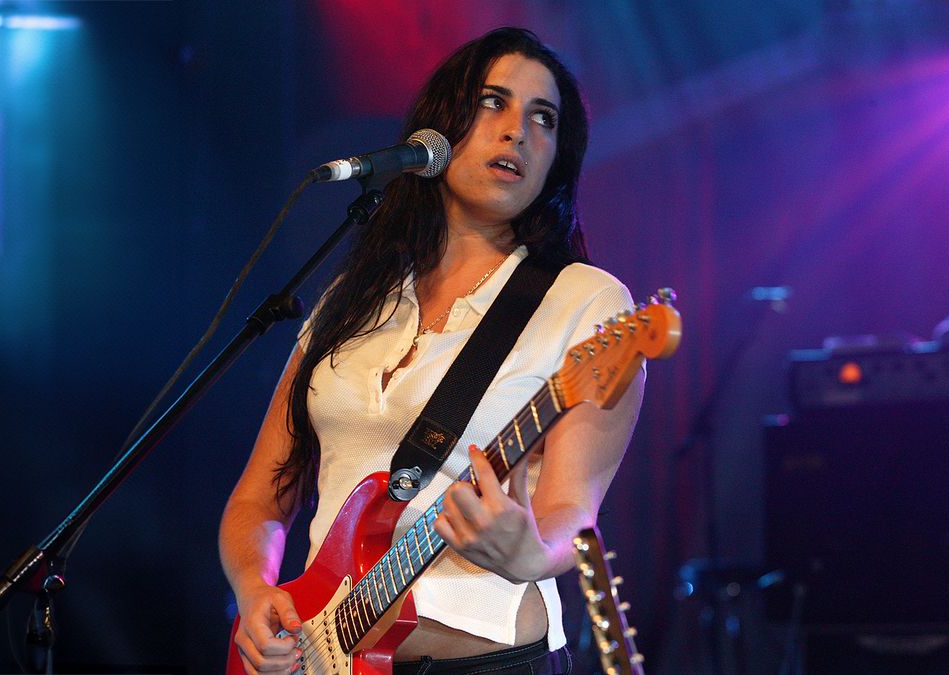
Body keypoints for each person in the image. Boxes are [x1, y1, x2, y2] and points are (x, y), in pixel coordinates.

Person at [220, 27, 645, 674]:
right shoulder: (351, 298)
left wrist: (528, 549)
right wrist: (255, 592)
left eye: (544, 118)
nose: (517, 132)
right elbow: (259, 497)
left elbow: (570, 514)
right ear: (439, 126)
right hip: (321, 655)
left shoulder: (585, 302)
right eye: (492, 102)